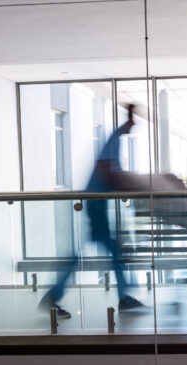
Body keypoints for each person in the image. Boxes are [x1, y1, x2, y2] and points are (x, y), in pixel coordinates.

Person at [39, 105, 145, 318]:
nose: (134, 126)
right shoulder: (114, 137)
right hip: (95, 203)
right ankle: (122, 297)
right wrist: (126, 185)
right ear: (129, 119)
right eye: (133, 121)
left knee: (110, 251)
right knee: (107, 252)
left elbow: (110, 170)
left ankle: (122, 297)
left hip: (97, 203)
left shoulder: (115, 139)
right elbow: (104, 169)